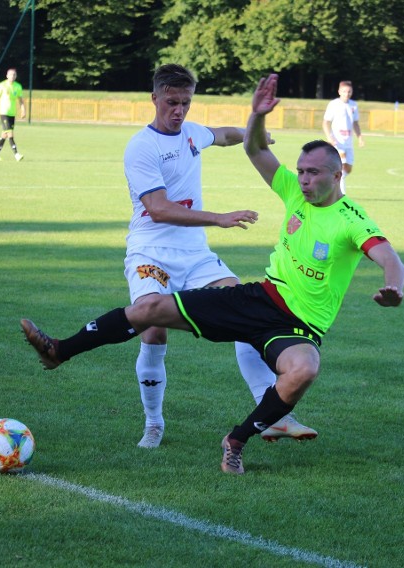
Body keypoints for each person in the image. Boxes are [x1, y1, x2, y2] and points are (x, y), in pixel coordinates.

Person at [20, 72, 404, 475]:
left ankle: (239, 439)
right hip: (170, 258)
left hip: (263, 300)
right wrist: (255, 122)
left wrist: (393, 286)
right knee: (152, 314)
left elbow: (391, 257)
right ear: (154, 98)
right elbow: (173, 198)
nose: (304, 180)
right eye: (302, 172)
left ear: (337, 174)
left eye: (313, 173)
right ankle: (66, 355)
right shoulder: (146, 148)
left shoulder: (350, 217)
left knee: (305, 368)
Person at [125, 63, 316, 448]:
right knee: (153, 327)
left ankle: (273, 412)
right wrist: (218, 218)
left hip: (194, 253)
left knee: (246, 312)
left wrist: (253, 133)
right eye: (171, 102)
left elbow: (224, 135)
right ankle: (154, 423)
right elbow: (160, 209)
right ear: (155, 99)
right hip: (152, 251)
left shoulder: (192, 133)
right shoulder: (141, 147)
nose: (178, 111)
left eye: (185, 103)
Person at [322, 80, 364, 194]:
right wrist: (329, 137)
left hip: (348, 143)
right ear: (339, 91)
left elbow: (355, 123)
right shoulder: (334, 104)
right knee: (340, 167)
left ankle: (329, 182)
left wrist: (360, 137)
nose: (347, 93)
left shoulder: (353, 105)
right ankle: (342, 196)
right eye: (344, 91)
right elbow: (326, 122)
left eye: (349, 91)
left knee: (348, 169)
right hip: (337, 142)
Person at [0, 68, 26, 161]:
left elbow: (20, 100)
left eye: (14, 75)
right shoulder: (2, 85)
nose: (12, 76)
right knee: (10, 133)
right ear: (7, 76)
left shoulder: (18, 86)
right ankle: (16, 154)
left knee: (4, 135)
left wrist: (23, 110)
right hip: (4, 113)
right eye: (11, 75)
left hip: (12, 114)